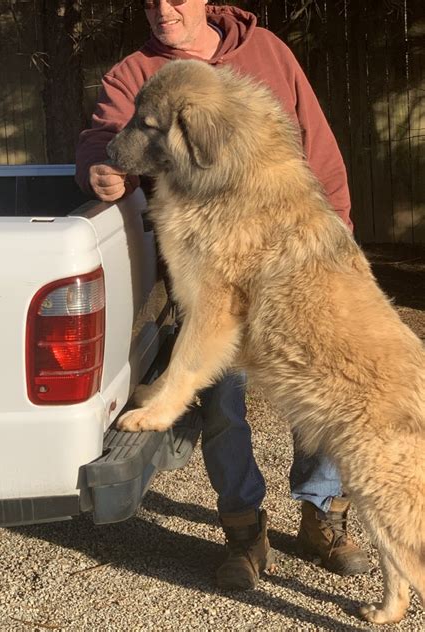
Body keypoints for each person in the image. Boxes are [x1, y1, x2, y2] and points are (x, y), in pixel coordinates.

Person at [75, 0, 369, 590]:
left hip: (295, 263)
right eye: (150, 0)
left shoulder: (268, 54)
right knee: (223, 403)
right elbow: (107, 137)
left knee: (323, 387)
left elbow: (319, 145)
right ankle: (243, 531)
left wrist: (339, 233)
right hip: (211, 271)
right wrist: (97, 169)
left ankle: (322, 515)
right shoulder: (136, 70)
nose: (162, 9)